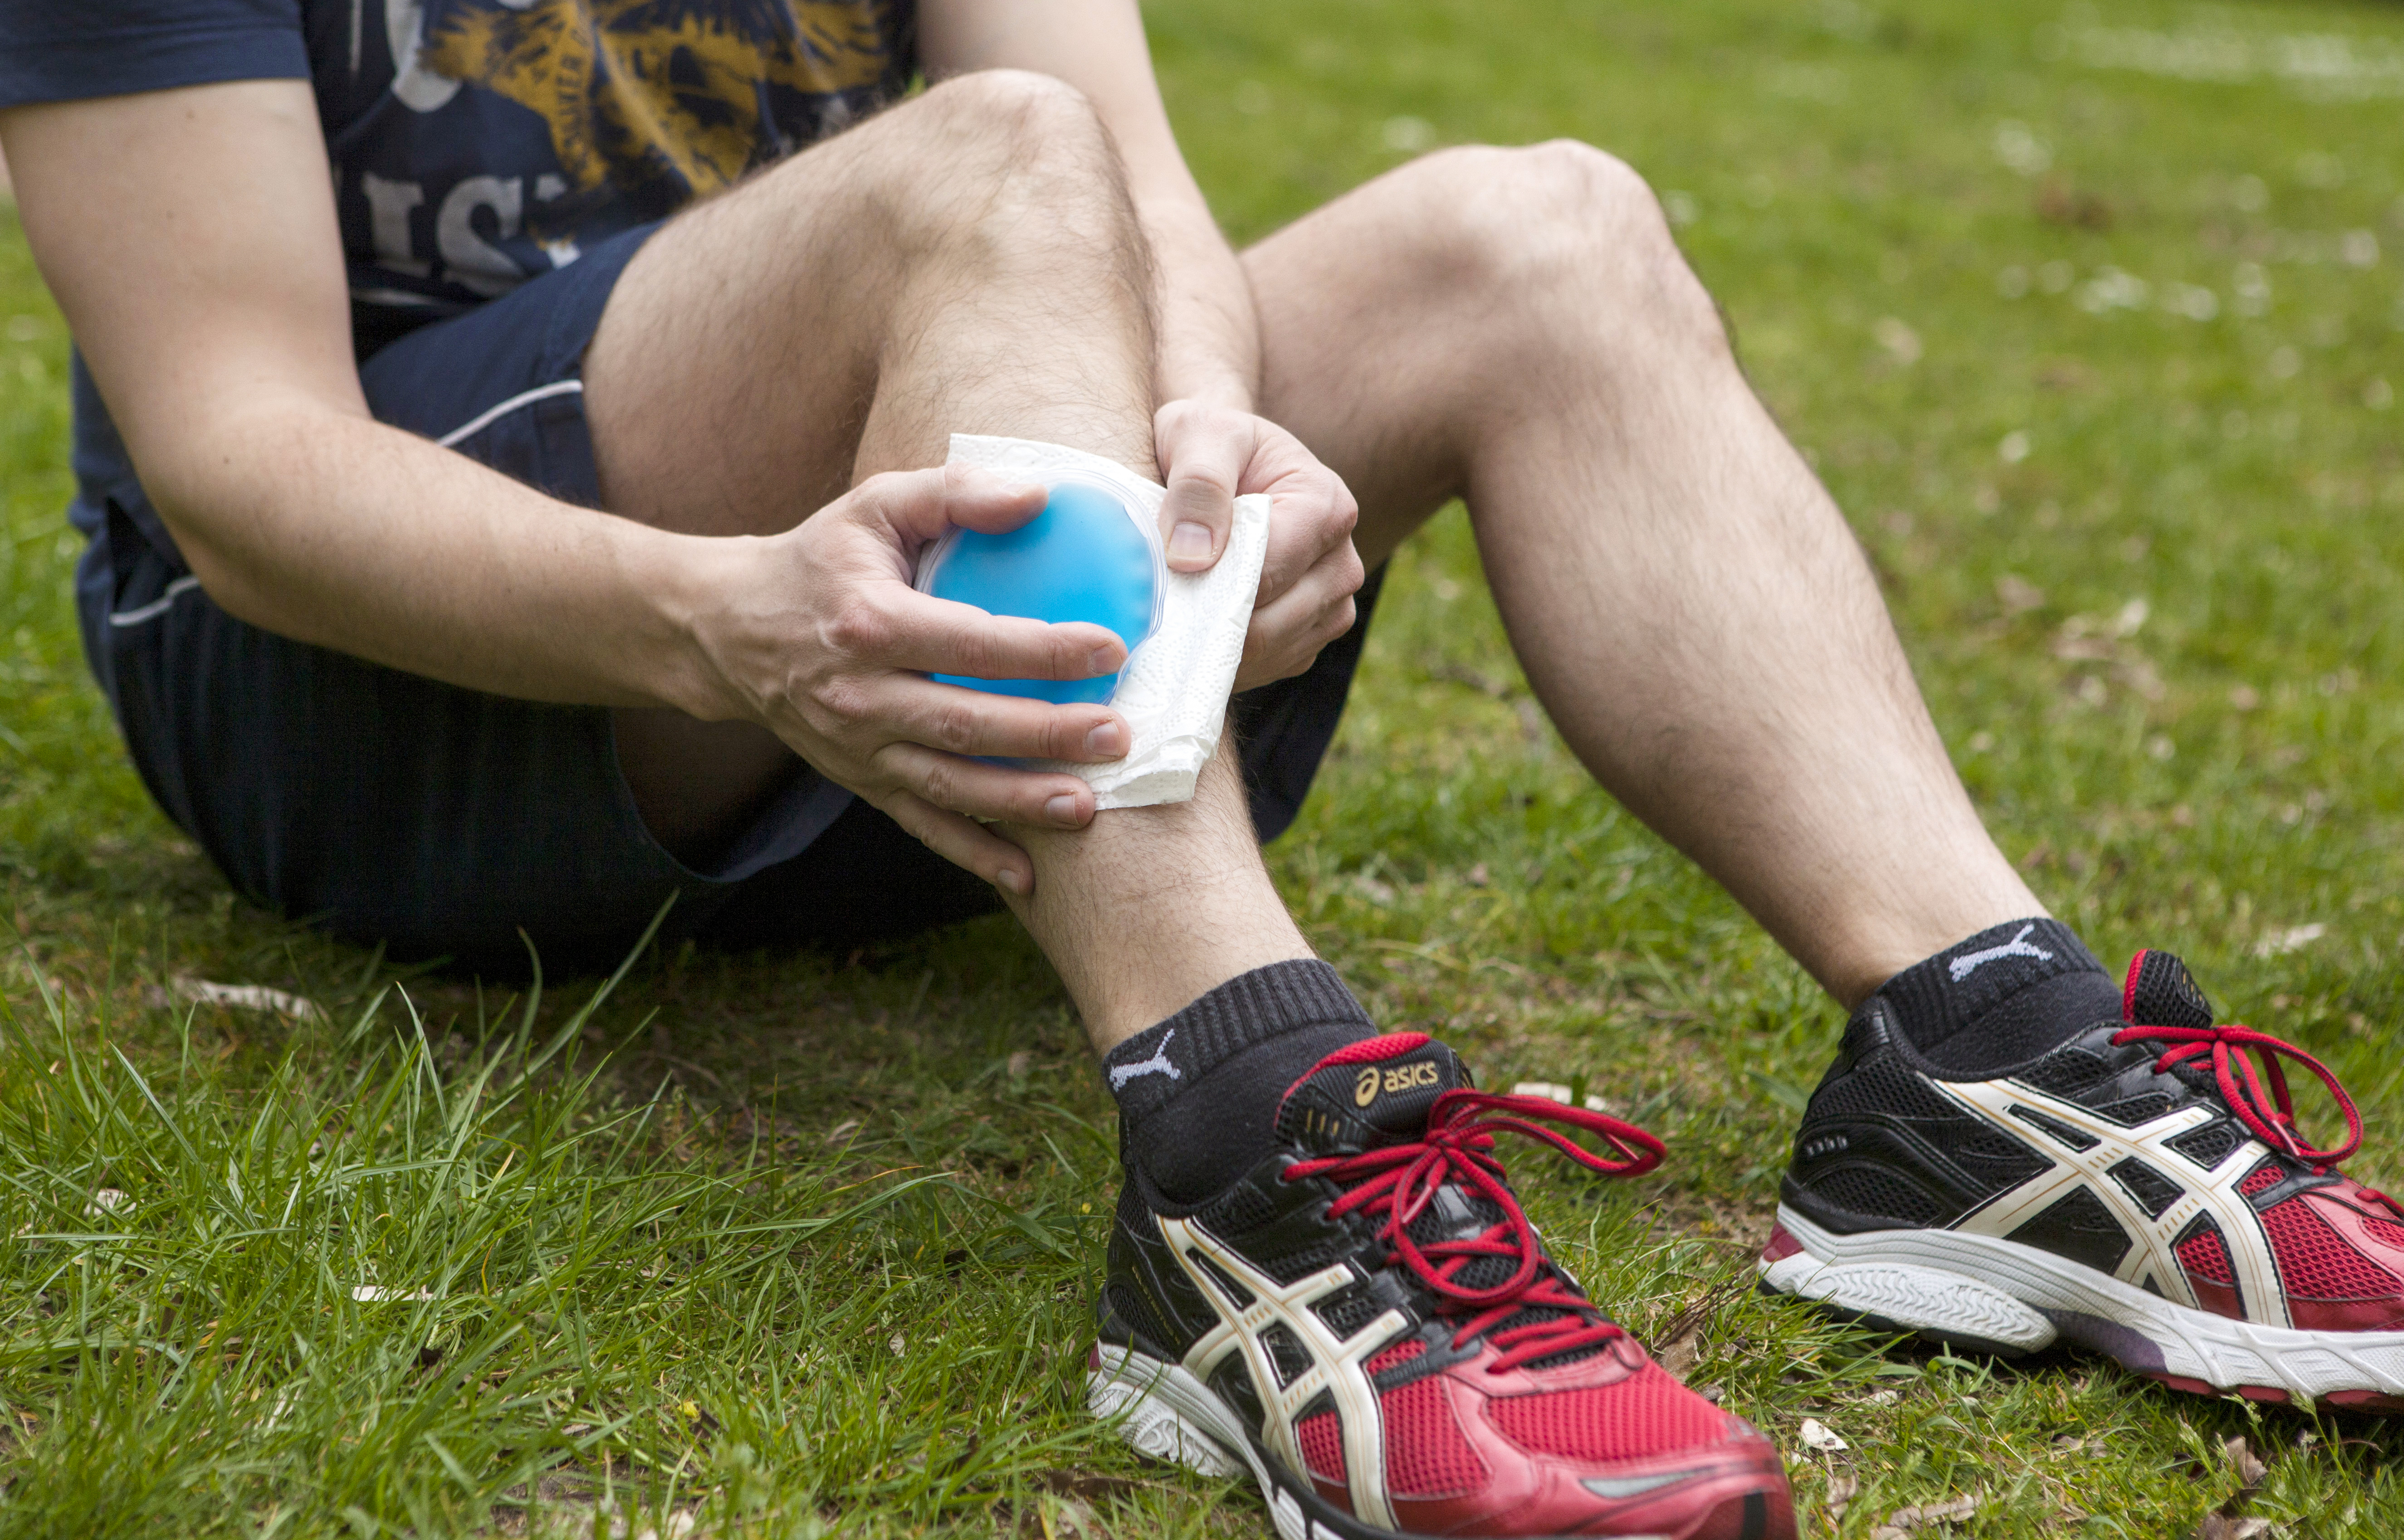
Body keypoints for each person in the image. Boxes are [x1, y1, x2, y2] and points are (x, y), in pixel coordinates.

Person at [5, 4, 2400, 1537]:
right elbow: (240, 467)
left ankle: (1981, 1056)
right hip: (408, 699)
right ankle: (1243, 1152)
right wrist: (720, 615)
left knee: (1532, 232)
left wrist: (1213, 446)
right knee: (985, 155)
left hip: (923, 692)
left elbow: (1142, 206)